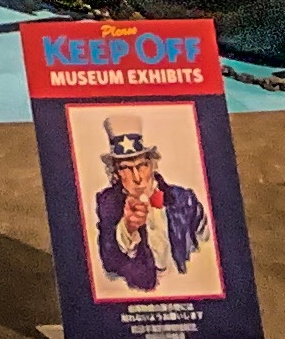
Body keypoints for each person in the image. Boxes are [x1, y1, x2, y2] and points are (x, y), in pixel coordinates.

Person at [88, 120, 211, 291]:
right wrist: (128, 228)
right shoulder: (108, 203)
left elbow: (208, 251)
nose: (137, 177)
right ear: (115, 173)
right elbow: (109, 262)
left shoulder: (184, 199)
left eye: (142, 165)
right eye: (126, 168)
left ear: (152, 164)